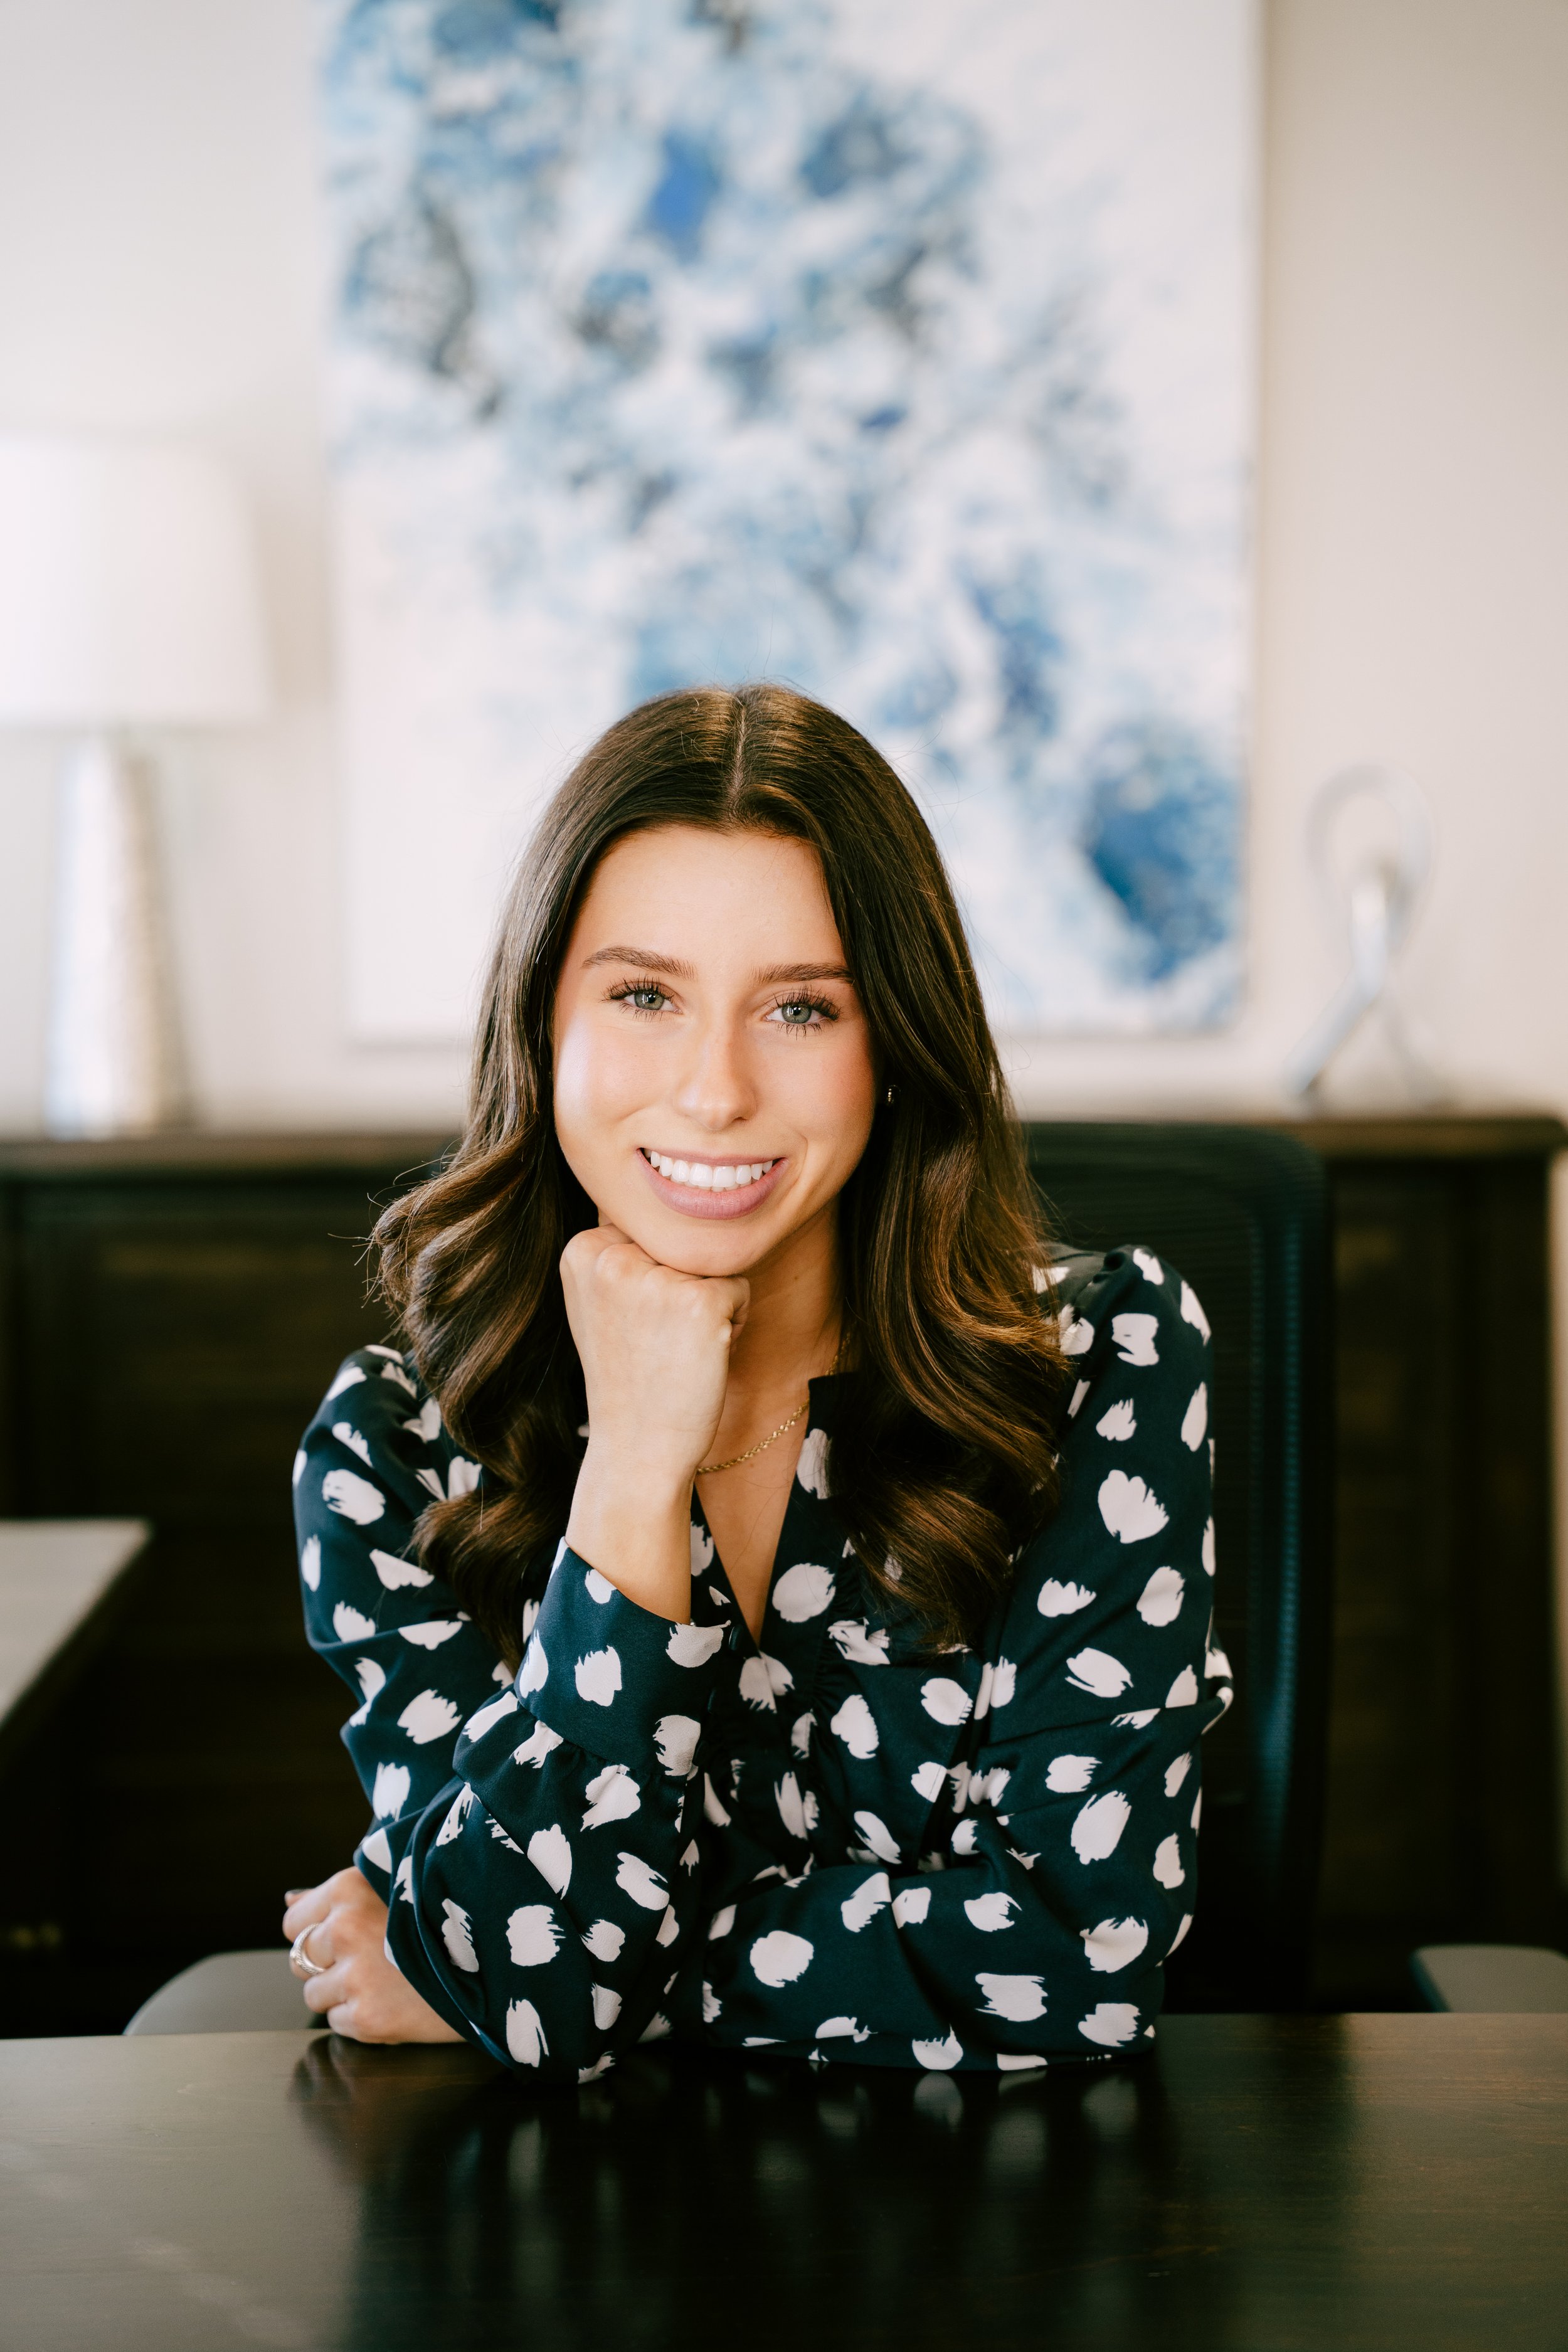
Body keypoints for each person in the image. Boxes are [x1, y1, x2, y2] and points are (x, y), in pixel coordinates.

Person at [285, 682, 1228, 2082]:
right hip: (555, 2266)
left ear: (894, 1047)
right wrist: (634, 1471)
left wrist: (541, 1969)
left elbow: (1075, 1968)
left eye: (797, 1008)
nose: (714, 1089)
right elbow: (530, 1975)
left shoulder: (1103, 1369)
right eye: (645, 995)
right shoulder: (395, 1452)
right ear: (544, 1025)